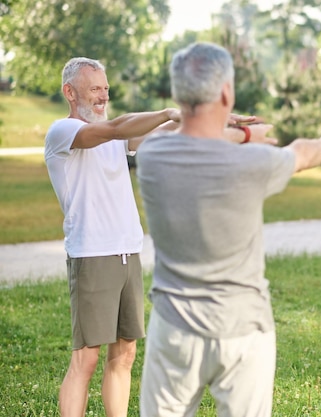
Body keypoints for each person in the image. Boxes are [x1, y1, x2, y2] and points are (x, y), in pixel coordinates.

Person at [45, 57, 273, 417]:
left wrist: (209, 120)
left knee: (125, 354)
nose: (103, 96)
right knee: (85, 360)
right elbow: (118, 128)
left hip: (127, 252)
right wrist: (169, 111)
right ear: (70, 92)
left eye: (105, 88)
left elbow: (167, 133)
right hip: (93, 254)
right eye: (94, 89)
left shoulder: (114, 135)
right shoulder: (63, 132)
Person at [136, 41, 321, 417]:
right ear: (227, 92)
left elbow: (189, 139)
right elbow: (303, 152)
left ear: (178, 93)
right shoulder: (253, 164)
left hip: (174, 329)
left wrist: (243, 135)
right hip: (243, 329)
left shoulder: (152, 156)